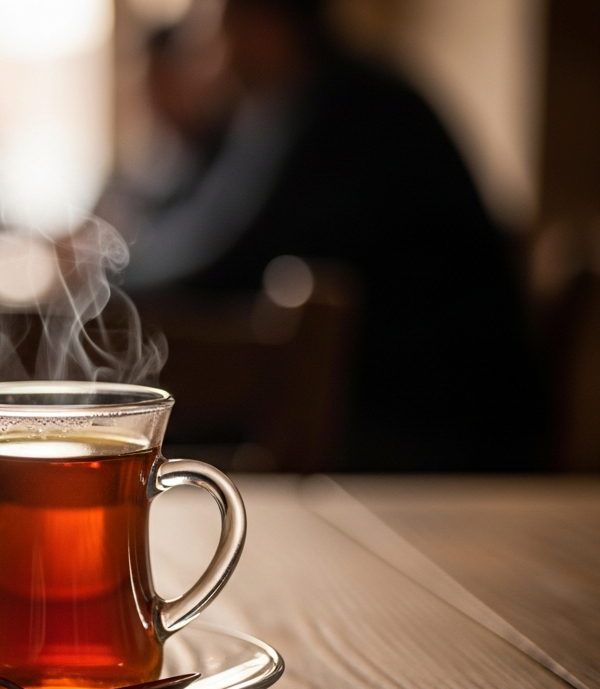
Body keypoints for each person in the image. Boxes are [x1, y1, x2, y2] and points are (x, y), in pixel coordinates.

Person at [120, 0, 546, 471]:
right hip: (381, 410)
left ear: (262, 23)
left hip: (431, 441)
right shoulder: (303, 104)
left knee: (151, 427)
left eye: (214, 26)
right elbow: (206, 231)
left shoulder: (351, 114)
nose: (207, 48)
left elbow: (223, 261)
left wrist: (100, 274)